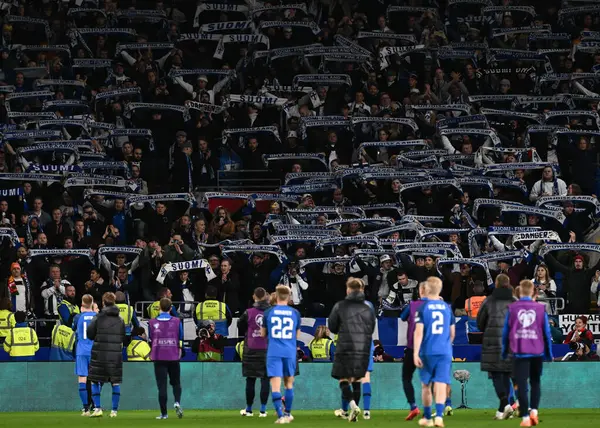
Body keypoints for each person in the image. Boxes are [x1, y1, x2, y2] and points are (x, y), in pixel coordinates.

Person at [502, 280, 553, 427]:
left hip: (519, 352)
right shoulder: (540, 308)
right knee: (536, 382)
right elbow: (546, 332)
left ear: (519, 292)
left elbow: (506, 332)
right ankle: (534, 412)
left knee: (522, 384)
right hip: (537, 351)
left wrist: (505, 351)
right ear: (533, 292)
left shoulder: (512, 308)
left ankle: (525, 418)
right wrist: (549, 352)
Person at [329, 277, 376, 422]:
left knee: (344, 378)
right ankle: (366, 412)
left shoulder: (340, 305)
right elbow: (372, 326)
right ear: (362, 289)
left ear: (348, 289)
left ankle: (350, 407)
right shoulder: (369, 306)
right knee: (362, 377)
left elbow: (332, 327)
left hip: (346, 345)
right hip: (365, 345)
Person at [413, 277, 455, 428]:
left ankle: (427, 417)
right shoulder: (446, 307)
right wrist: (445, 346)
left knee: (426, 385)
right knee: (441, 383)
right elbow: (452, 333)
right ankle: (438, 416)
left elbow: (418, 332)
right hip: (444, 351)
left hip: (427, 351)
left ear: (426, 289)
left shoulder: (423, 308)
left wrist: (415, 353)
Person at [477, 274, 517, 420]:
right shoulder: (515, 302)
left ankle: (505, 404)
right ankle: (502, 412)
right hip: (510, 343)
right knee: (506, 374)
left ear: (496, 284)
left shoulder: (489, 301)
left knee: (495, 374)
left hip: (492, 342)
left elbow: (480, 322)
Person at [262, 284, 301, 424]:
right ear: (288, 297)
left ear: (276, 296)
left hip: (274, 351)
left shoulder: (268, 312)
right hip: (289, 351)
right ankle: (288, 413)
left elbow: (263, 334)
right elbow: (297, 335)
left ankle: (280, 416)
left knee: (275, 385)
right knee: (289, 384)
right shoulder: (295, 313)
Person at [87, 292, 126, 418]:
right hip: (115, 355)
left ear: (103, 302)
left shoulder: (98, 317)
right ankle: (114, 411)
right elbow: (123, 337)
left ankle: (97, 408)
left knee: (95, 381)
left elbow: (90, 335)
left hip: (99, 354)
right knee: (115, 382)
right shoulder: (120, 319)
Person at [237, 287, 271, 417]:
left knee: (250, 380)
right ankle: (262, 410)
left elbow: (240, 325)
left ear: (254, 297)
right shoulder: (271, 312)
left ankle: (249, 409)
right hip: (266, 349)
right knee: (265, 380)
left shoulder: (248, 312)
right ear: (265, 297)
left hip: (251, 349)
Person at [149, 297, 184, 420]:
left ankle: (164, 414)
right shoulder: (177, 321)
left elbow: (151, 338)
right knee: (176, 383)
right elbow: (180, 337)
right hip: (173, 356)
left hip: (158, 357)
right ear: (171, 308)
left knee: (162, 386)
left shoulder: (152, 322)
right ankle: (177, 402)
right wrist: (179, 351)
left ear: (159, 308)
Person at [399, 282, 427, 421]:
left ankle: (413, 406)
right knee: (430, 380)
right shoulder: (438, 307)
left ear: (420, 291)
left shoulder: (413, 305)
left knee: (406, 377)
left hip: (412, 347)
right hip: (429, 349)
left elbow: (403, 317)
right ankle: (437, 407)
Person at [73, 295, 98, 415]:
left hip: (81, 351)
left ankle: (86, 408)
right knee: (94, 380)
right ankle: (96, 406)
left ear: (82, 305)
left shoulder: (78, 317)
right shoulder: (97, 317)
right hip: (94, 351)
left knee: (82, 379)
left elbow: (74, 329)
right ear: (92, 303)